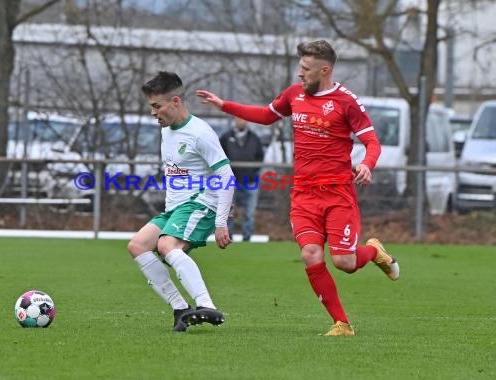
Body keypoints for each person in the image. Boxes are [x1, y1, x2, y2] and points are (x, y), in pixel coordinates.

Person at [196, 40, 400, 336]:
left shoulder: (346, 101)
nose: (300, 73)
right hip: (304, 195)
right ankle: (342, 323)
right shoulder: (294, 95)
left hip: (337, 193)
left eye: (306, 68)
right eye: (300, 67)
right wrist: (224, 105)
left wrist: (367, 163)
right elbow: (266, 116)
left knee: (344, 261)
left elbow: (372, 141)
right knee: (310, 255)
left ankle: (374, 251)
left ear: (325, 69)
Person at [127, 71, 235, 332]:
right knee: (138, 245)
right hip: (176, 208)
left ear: (175, 101)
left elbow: (226, 175)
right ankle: (180, 308)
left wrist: (221, 222)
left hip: (201, 204)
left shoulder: (200, 133)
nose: (153, 113)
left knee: (166, 244)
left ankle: (206, 304)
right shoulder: (167, 130)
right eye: (151, 107)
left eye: (157, 106)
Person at [219, 117, 264, 241]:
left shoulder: (254, 138)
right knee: (229, 212)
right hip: (230, 182)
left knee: (249, 213)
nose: (241, 122)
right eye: (238, 119)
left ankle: (247, 239)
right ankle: (227, 238)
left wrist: (253, 173)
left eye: (243, 119)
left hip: (250, 182)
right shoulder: (226, 137)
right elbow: (219, 156)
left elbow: (260, 157)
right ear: (234, 120)